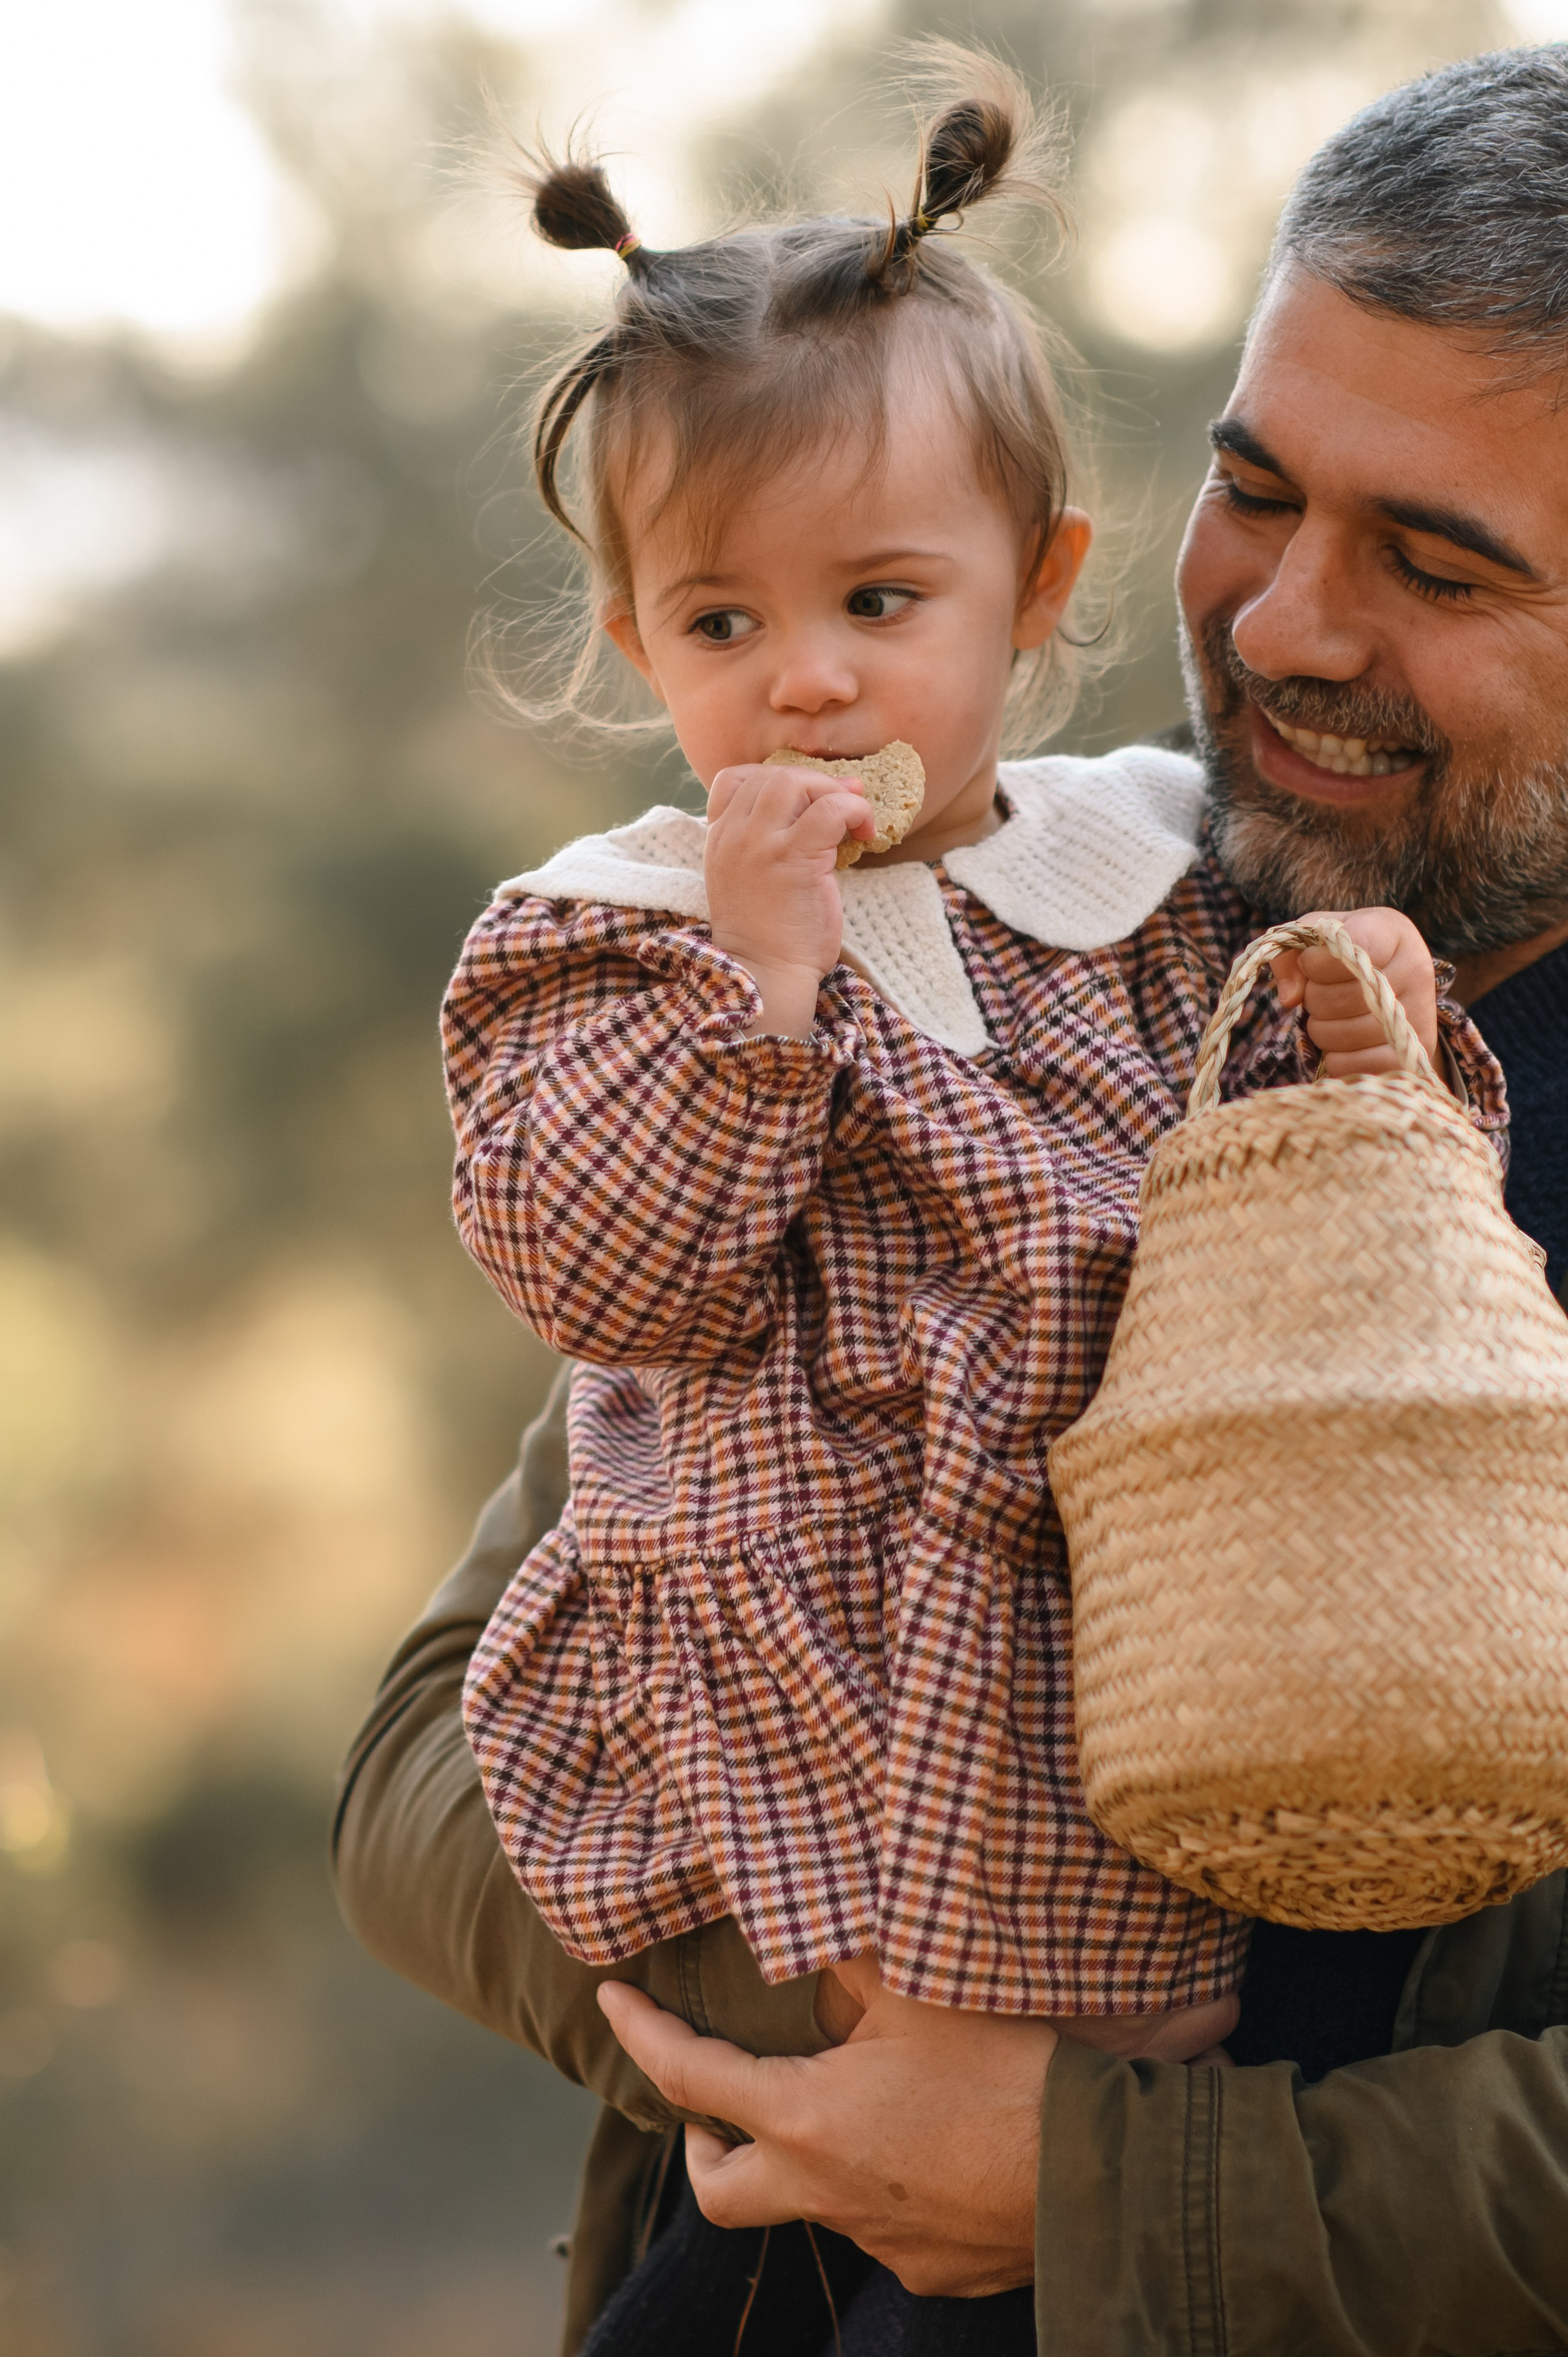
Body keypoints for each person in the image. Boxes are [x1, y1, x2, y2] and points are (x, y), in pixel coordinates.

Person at [334, 42, 1568, 2357]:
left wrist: (1117, 2187)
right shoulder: (1032, 919)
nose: (1284, 630)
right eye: (1256, 492)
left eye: (1435, 564)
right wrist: (821, 2051)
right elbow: (421, 1761)